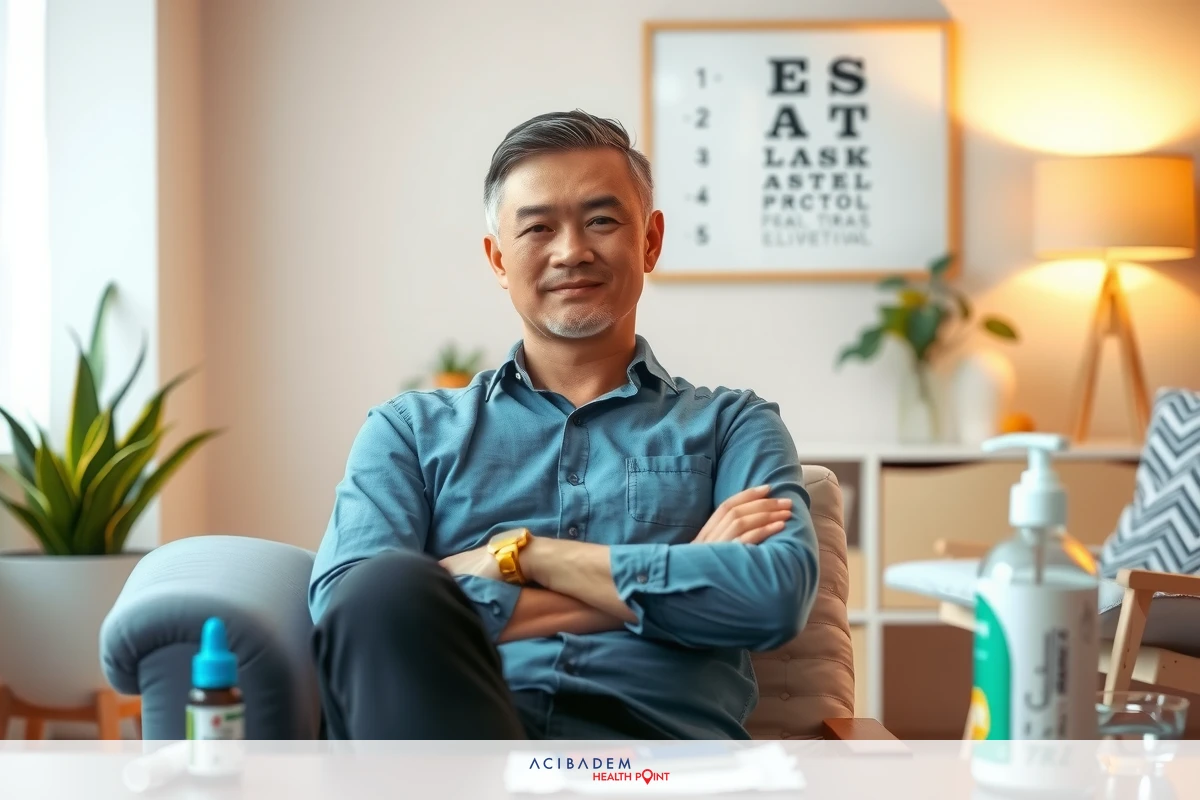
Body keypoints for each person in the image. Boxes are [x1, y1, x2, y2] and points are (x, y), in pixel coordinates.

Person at [308, 109, 819, 740]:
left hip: (653, 763)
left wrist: (518, 559)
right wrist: (681, 569)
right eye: (538, 229)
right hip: (458, 753)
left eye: (601, 220)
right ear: (498, 259)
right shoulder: (408, 431)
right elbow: (352, 613)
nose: (572, 251)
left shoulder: (734, 425)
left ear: (651, 241)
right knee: (385, 590)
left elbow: (772, 596)